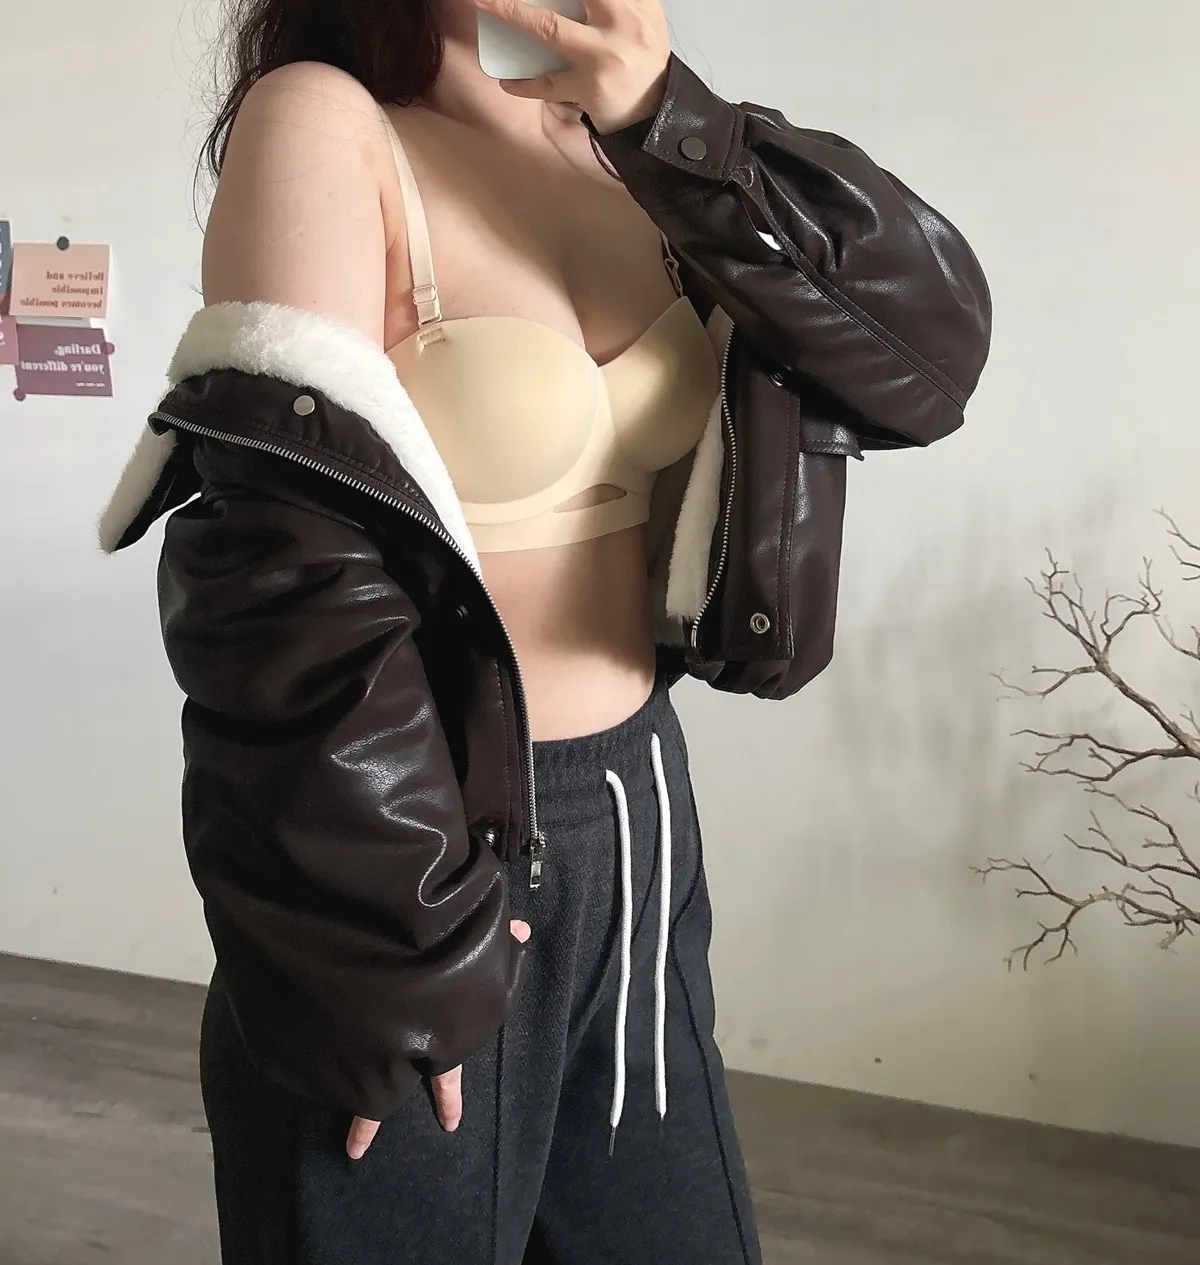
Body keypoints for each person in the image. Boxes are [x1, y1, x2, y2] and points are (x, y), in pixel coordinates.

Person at [100, 0, 991, 1260]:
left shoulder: (628, 140)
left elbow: (929, 358)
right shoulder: (326, 124)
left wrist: (672, 121)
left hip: (637, 816)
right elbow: (281, 569)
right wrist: (383, 948)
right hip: (416, 847)